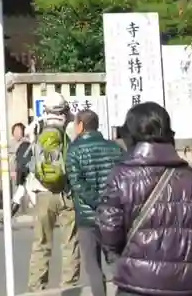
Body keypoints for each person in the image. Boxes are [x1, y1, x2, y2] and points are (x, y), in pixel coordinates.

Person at [96, 102, 192, 296]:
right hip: (189, 285)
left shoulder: (120, 177)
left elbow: (109, 235)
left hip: (137, 283)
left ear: (130, 135)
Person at [26, 93, 80, 292]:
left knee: (41, 242)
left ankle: (36, 288)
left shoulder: (36, 127)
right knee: (70, 242)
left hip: (42, 192)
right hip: (66, 192)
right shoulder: (70, 127)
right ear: (64, 109)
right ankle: (69, 287)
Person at [67, 109, 123, 296]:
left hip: (87, 217)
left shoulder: (74, 150)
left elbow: (77, 183)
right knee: (116, 260)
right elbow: (123, 178)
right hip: (112, 216)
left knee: (93, 267)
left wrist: (97, 202)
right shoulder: (115, 148)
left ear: (81, 125)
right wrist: (108, 202)